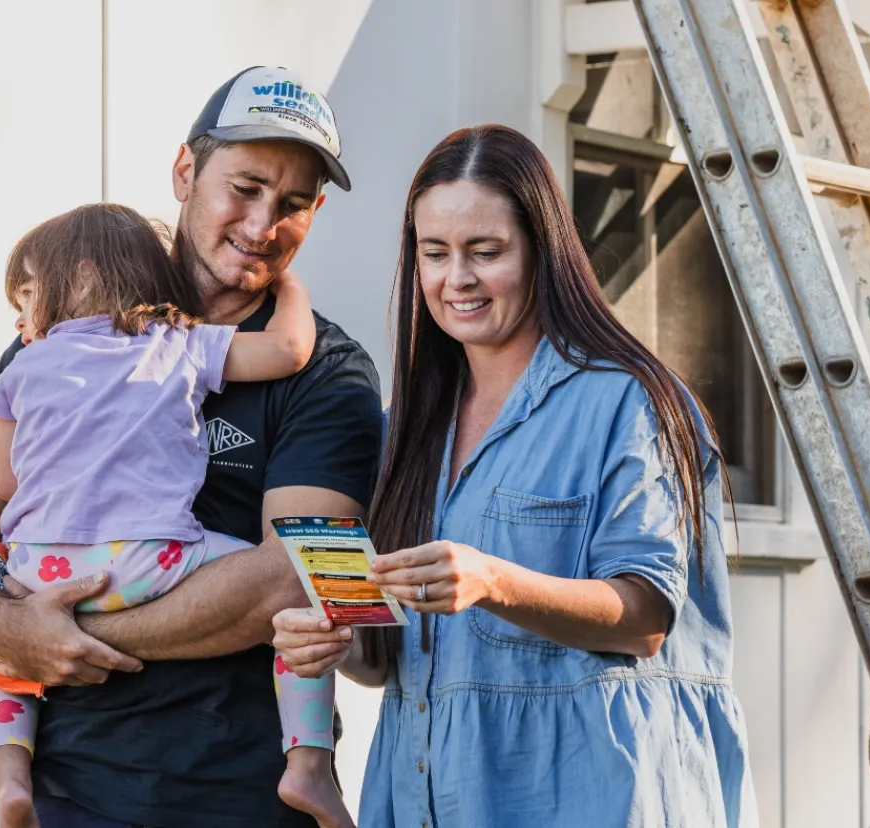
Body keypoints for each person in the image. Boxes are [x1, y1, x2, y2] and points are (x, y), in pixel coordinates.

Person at [0, 66, 383, 828]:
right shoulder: (62, 338)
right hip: (68, 793)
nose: (263, 224)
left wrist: (63, 636)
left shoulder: (330, 375)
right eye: (246, 186)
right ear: (184, 172)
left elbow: (300, 576)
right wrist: (4, 627)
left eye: (293, 204)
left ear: (315, 213)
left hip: (241, 797)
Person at [272, 124, 758, 827]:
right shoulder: (401, 424)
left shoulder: (628, 401)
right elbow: (388, 663)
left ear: (543, 253)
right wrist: (336, 644)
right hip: (423, 801)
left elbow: (646, 618)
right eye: (434, 253)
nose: (455, 278)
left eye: (485, 251)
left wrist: (492, 580)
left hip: (595, 800)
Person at [0, 202, 350, 828]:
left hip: (45, 573)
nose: (19, 318)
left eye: (27, 296)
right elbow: (288, 348)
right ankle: (307, 763)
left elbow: (3, 479)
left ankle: (9, 779)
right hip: (153, 560)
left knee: (4, 663)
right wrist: (291, 283)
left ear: (83, 278)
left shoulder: (26, 363)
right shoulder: (176, 343)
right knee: (306, 582)